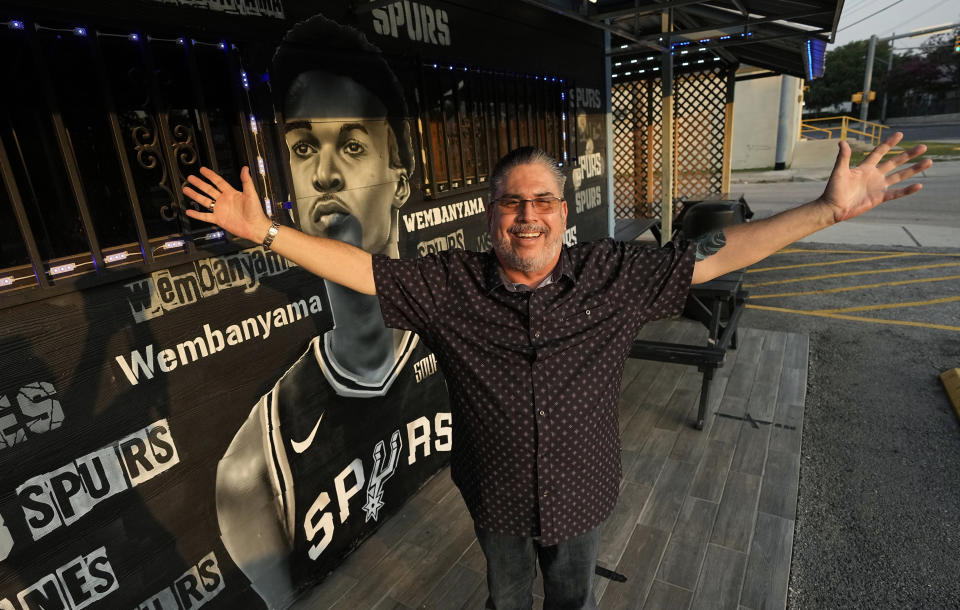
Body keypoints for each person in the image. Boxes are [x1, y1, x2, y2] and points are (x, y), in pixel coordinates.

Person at [186, 133, 931, 608]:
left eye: (544, 201)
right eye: (513, 203)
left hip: (582, 491)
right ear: (491, 214)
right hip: (497, 495)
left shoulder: (614, 276)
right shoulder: (450, 287)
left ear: (566, 213)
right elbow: (364, 269)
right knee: (507, 597)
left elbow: (719, 255)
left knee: (569, 600)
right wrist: (268, 232)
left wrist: (826, 212)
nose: (528, 216)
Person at [208, 14, 448, 608]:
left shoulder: (453, 331)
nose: (325, 173)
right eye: (303, 146)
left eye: (353, 145)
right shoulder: (255, 469)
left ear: (401, 177)